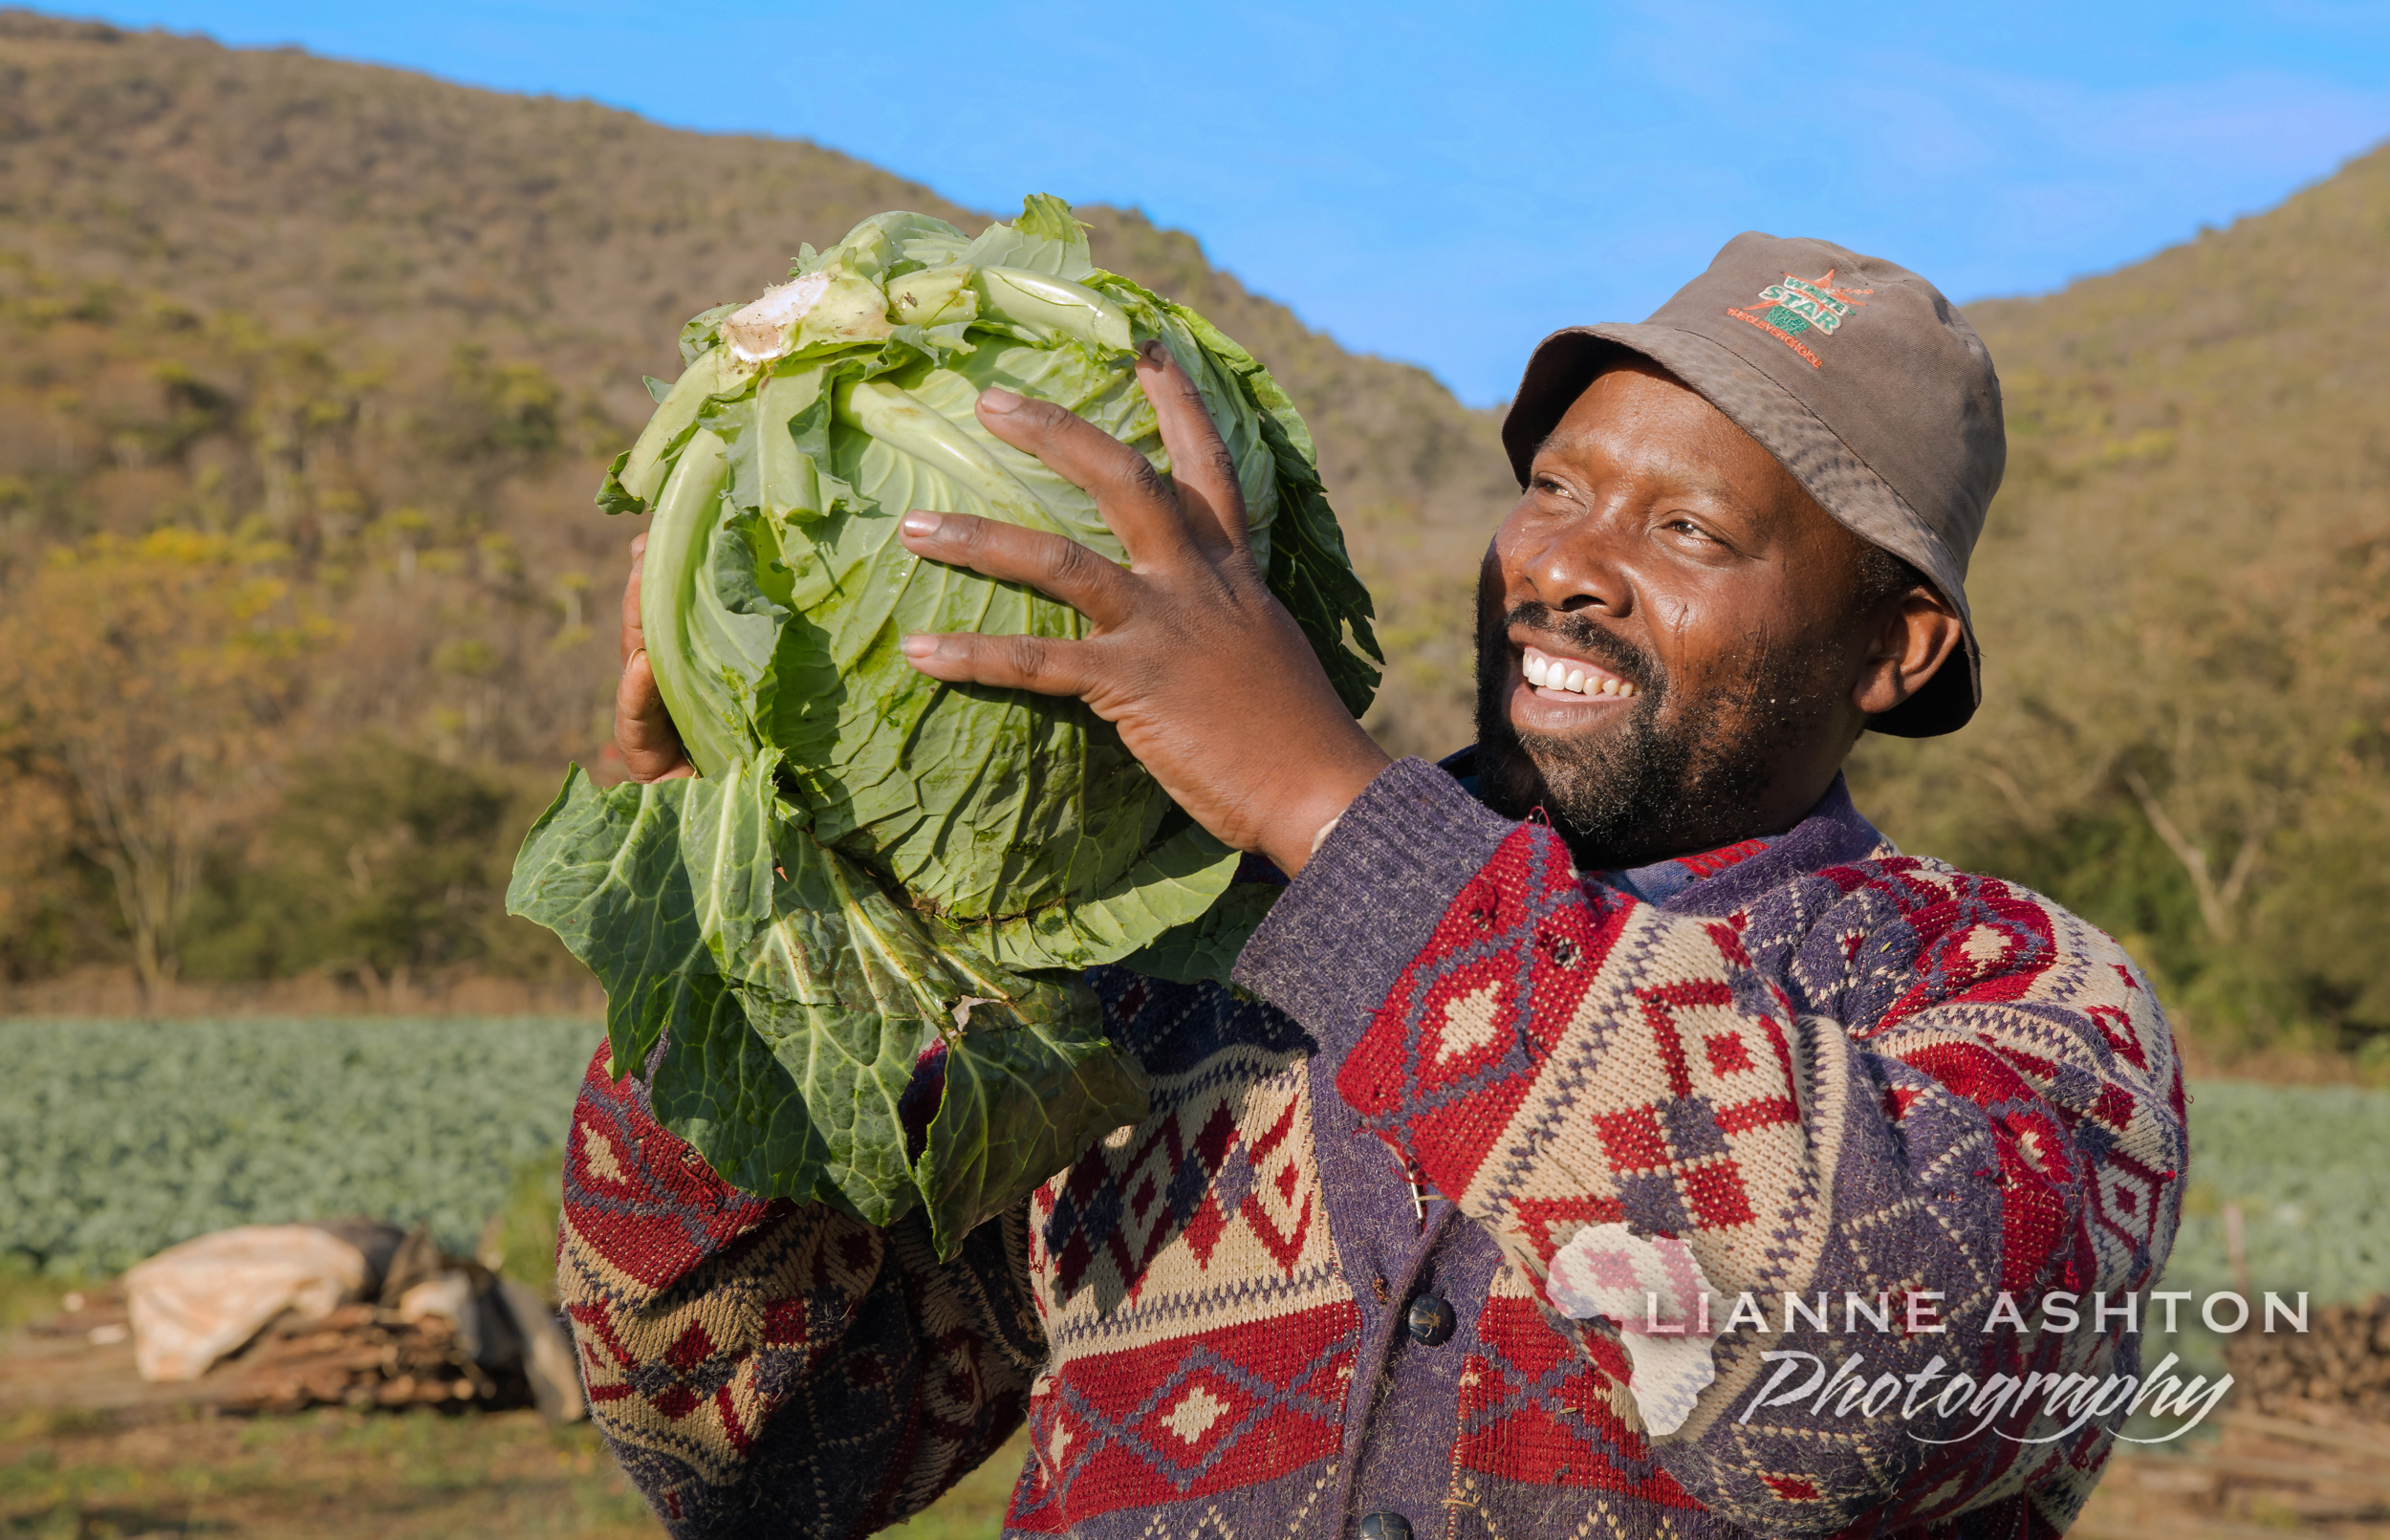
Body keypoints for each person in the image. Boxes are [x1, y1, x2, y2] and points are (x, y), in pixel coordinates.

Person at [569, 234, 2186, 1540]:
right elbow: (753, 1460)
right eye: (1555, 487)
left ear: (1896, 648)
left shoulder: (2016, 995)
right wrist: (730, 931)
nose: (1565, 565)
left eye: (1689, 528)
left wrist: (1326, 808)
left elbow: (1870, 1397)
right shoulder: (1173, 972)